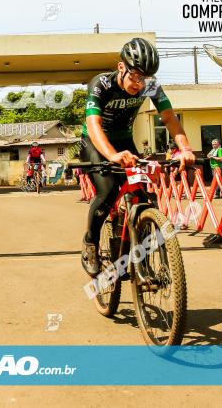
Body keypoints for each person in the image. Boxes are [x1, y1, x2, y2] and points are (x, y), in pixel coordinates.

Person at [81, 38, 195, 277]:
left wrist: (185, 148)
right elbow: (94, 124)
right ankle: (90, 243)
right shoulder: (101, 84)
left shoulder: (149, 86)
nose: (140, 84)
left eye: (146, 77)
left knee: (142, 196)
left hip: (124, 140)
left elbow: (169, 118)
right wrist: (111, 155)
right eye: (135, 76)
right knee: (109, 191)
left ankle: (133, 252)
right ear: (121, 67)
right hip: (96, 142)